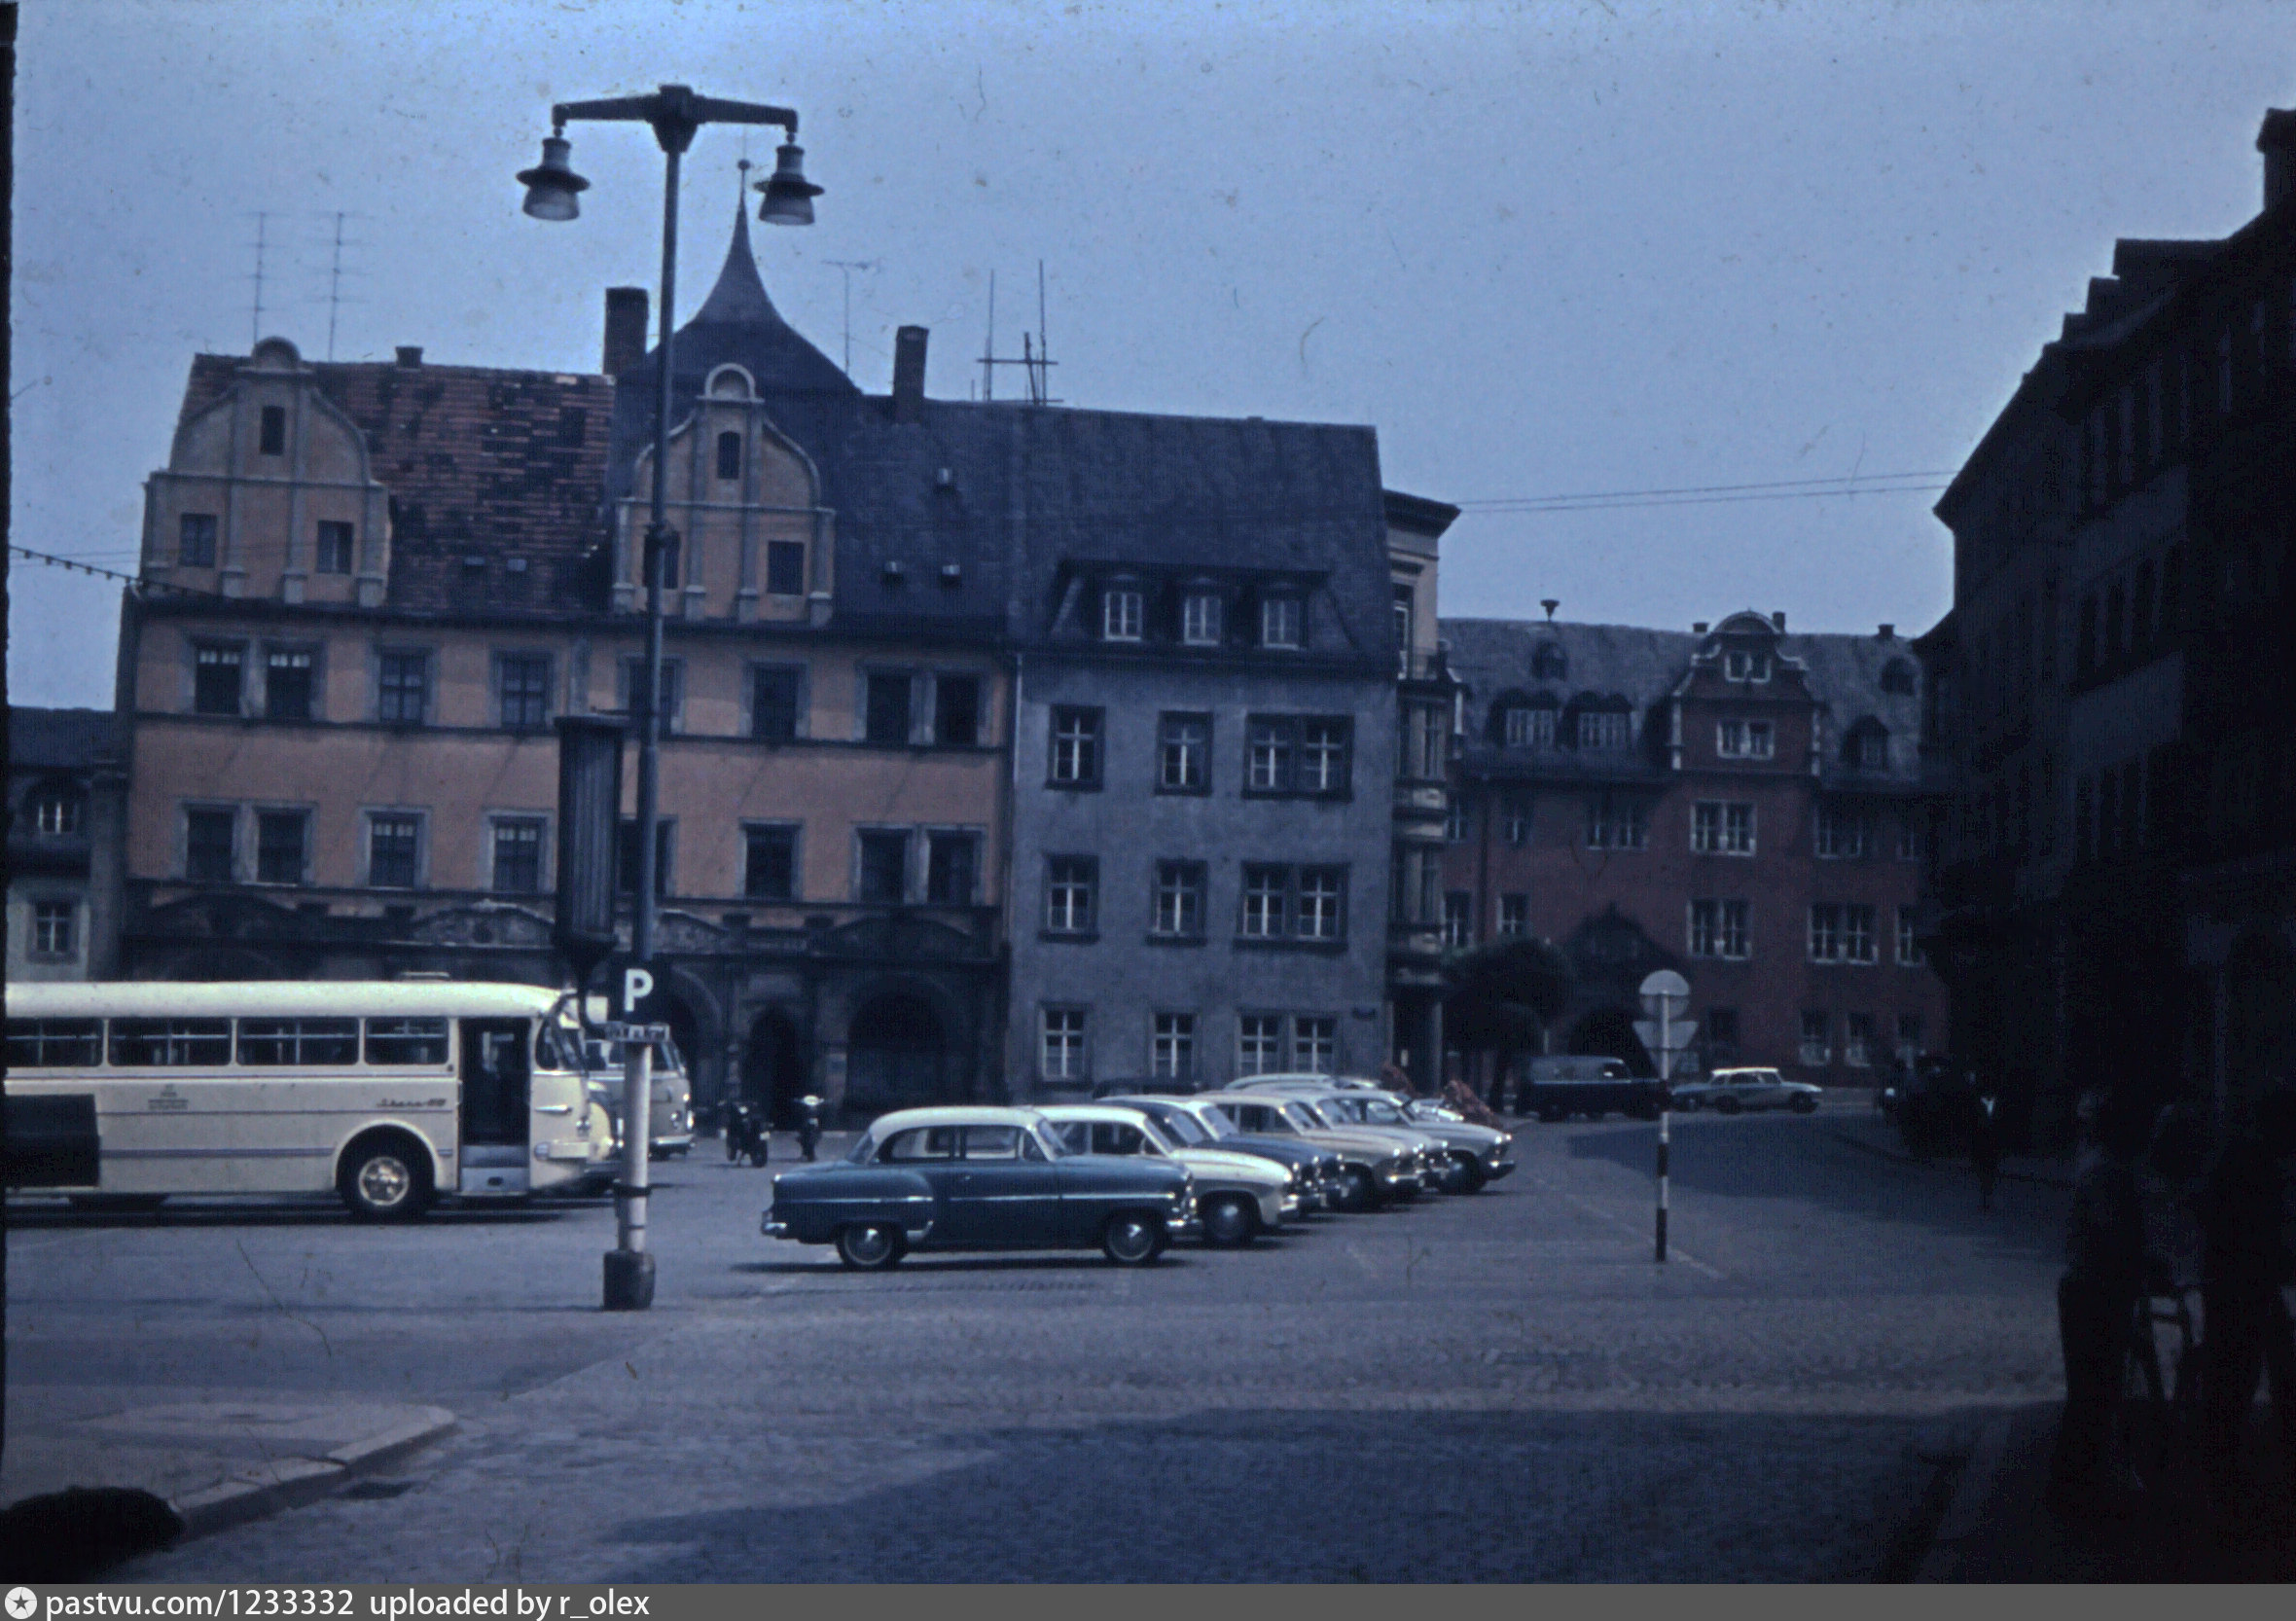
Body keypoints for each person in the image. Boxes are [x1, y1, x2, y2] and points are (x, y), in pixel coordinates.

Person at [2047, 1092, 2154, 1515]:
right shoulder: (2106, 1171)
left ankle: (2078, 1486)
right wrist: (2143, 1264)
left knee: (2091, 1394)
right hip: (2095, 1291)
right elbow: (2113, 1233)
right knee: (2093, 1394)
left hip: (2090, 1288)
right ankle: (2074, 1491)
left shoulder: (2098, 1164)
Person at [2193, 1086, 2296, 1518]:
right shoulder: (2254, 1164)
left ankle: (2224, 1471)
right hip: (2242, 1287)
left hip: (2237, 1285)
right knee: (2236, 1378)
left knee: (2237, 1377)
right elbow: (2256, 1234)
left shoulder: (2242, 1158)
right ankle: (2224, 1477)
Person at [1969, 1089, 2002, 1211]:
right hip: (1981, 1146)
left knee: (1991, 1174)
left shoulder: (1998, 1105)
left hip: (1993, 1147)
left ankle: (1988, 1199)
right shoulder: (1978, 1106)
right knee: (1983, 1174)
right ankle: (1984, 1200)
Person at [796, 1094, 824, 1163]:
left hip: (812, 1128)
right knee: (805, 1140)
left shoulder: (816, 1111)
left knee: (812, 1140)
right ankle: (806, 1154)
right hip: (806, 1127)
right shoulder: (804, 1111)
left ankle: (810, 1154)